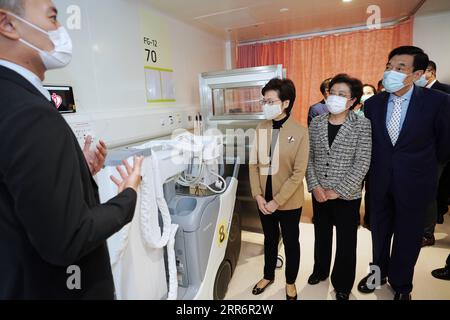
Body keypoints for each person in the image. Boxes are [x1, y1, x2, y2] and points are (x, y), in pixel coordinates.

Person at [0, 0, 143, 299]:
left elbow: (21, 195)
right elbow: (68, 239)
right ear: (8, 24)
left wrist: (76, 169)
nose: (61, 30)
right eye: (53, 17)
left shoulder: (11, 99)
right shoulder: (30, 112)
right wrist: (128, 196)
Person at [358, 46, 450, 300]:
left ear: (416, 73)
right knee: (379, 233)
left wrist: (422, 170)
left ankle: (401, 285)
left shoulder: (438, 102)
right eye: (389, 66)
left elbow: (444, 146)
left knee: (408, 237)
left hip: (416, 183)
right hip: (379, 182)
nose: (392, 71)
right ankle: (378, 275)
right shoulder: (373, 104)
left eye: (400, 67)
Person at [306, 74, 372, 300]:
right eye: (332, 93)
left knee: (346, 240)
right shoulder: (316, 122)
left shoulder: (362, 124)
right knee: (321, 234)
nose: (334, 97)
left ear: (352, 100)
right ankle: (320, 270)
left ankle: (342, 283)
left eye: (341, 94)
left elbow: (363, 161)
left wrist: (340, 190)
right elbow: (309, 157)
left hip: (347, 195)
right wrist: (314, 186)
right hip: (320, 193)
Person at [249, 78, 309, 300]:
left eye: (270, 101)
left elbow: (298, 173)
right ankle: (268, 275)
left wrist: (277, 201)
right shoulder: (261, 127)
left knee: (291, 241)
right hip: (263, 200)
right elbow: (253, 164)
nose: (265, 105)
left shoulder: (300, 132)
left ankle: (290, 282)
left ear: (285, 103)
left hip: (288, 202)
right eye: (263, 101)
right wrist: (257, 195)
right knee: (269, 238)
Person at [420, 61, 450, 247]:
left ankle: (426, 233)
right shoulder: (416, 94)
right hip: (418, 152)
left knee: (429, 192)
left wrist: (440, 155)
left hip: (437, 154)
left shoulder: (445, 92)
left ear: (430, 72)